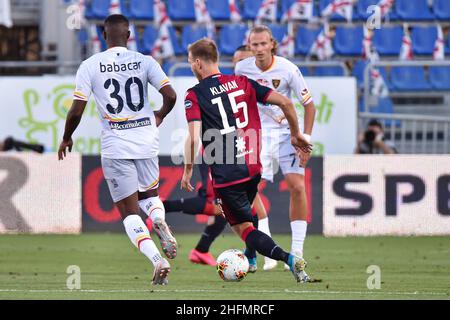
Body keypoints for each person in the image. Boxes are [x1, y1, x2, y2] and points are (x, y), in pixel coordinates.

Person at [58, 14, 178, 285]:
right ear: (129, 35)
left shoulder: (90, 65)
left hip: (116, 144)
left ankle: (157, 259)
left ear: (103, 36)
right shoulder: (146, 61)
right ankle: (158, 218)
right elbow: (171, 95)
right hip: (147, 139)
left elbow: (77, 109)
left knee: (128, 211)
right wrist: (159, 115)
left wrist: (67, 137)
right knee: (149, 194)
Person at [181, 38, 312, 283]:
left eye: (190, 63)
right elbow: (285, 102)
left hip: (226, 172)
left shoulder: (194, 94)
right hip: (253, 166)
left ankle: (289, 258)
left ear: (198, 63)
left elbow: (193, 137)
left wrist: (188, 169)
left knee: (244, 228)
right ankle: (251, 258)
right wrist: (296, 134)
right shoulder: (242, 82)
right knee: (248, 205)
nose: (191, 67)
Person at [235, 25, 317, 279]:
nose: (258, 49)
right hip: (256, 135)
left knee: (297, 186)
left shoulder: (288, 69)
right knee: (249, 190)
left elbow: (309, 105)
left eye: (262, 44)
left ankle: (297, 251)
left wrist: (305, 138)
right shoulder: (242, 69)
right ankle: (256, 247)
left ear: (272, 44)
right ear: (249, 46)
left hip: (286, 135)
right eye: (253, 45)